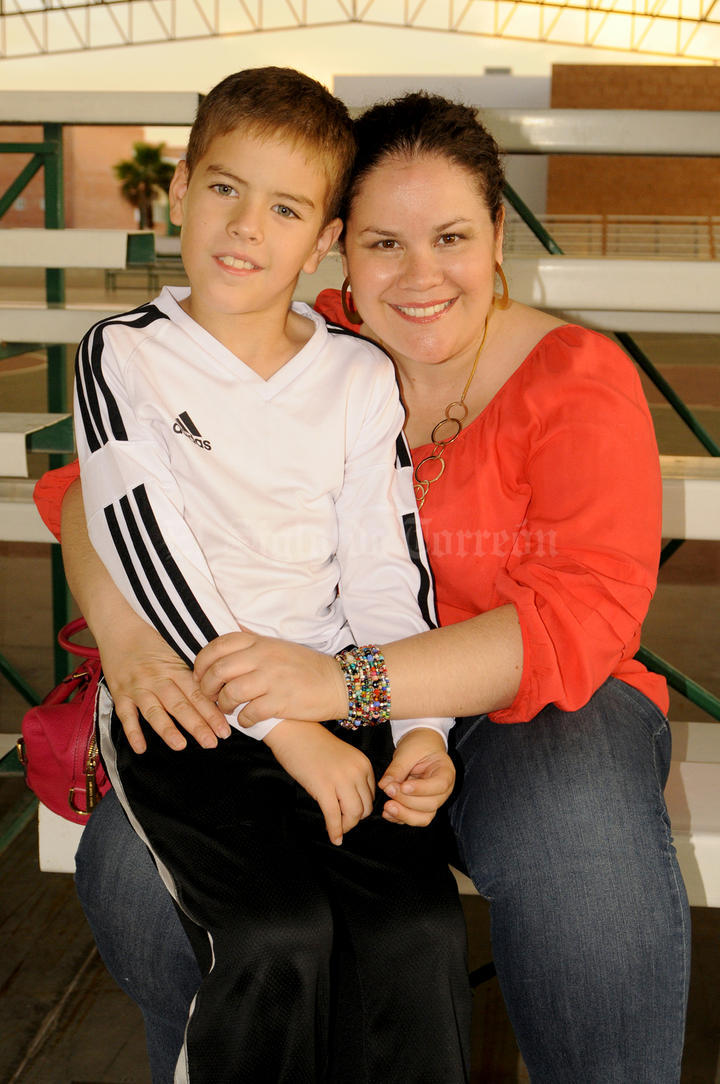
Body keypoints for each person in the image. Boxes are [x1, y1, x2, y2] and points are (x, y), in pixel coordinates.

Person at [42, 90, 690, 1084]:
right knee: (140, 878)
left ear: (497, 233)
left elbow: (580, 621)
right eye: (386, 242)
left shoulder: (576, 377)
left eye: (451, 237)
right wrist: (127, 641)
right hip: (288, 700)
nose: (421, 275)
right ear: (340, 246)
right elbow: (86, 487)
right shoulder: (302, 338)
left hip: (530, 704)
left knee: (580, 862)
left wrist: (347, 694)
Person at [66, 69, 473, 1084]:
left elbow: (389, 566)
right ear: (181, 188)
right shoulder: (123, 356)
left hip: (334, 701)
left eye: (285, 207)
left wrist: (421, 728)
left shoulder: (355, 372)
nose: (246, 228)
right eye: (224, 189)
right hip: (192, 716)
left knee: (417, 935)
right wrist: (286, 732)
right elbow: (148, 558)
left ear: (326, 236)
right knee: (274, 934)